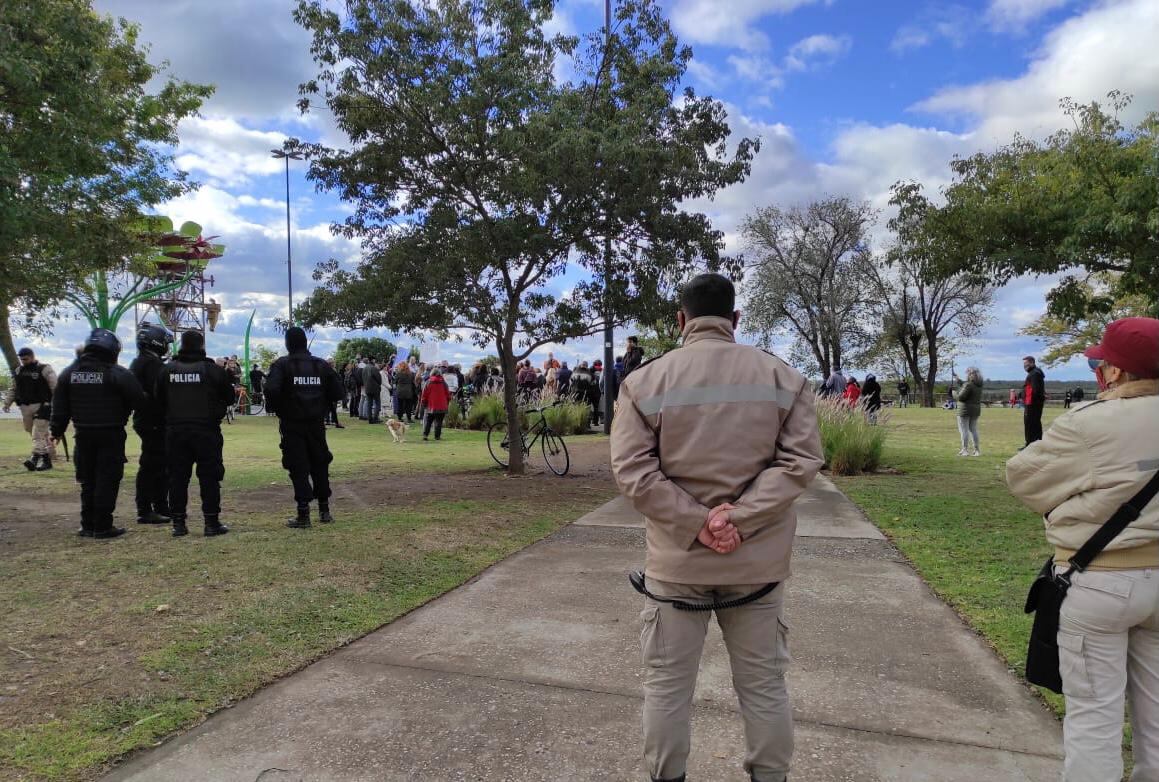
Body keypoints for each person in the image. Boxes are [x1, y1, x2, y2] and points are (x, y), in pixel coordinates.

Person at [611, 273, 824, 782]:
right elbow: (801, 462)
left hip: (675, 565)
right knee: (764, 685)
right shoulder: (782, 379)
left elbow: (633, 473)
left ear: (681, 321)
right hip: (756, 567)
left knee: (666, 687)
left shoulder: (644, 382)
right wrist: (738, 520)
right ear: (735, 319)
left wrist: (698, 523)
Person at [1006, 317, 1159, 782]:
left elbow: (1023, 478)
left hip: (1102, 579)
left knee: (1094, 715)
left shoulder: (1090, 424)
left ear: (1113, 372)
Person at [50, 329, 145, 539]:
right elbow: (139, 400)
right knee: (107, 479)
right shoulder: (118, 373)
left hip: (82, 434)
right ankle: (102, 525)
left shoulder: (69, 373)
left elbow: (60, 406)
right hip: (110, 433)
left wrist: (56, 430)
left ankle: (87, 524)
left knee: (88, 480)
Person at [155, 331, 234, 538]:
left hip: (175, 431)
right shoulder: (212, 371)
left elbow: (158, 399)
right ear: (202, 346)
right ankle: (211, 522)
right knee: (210, 477)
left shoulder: (168, 370)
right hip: (206, 430)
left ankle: (178, 523)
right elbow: (229, 397)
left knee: (177, 478)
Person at [265, 326, 345, 529]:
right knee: (320, 463)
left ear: (287, 343)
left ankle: (303, 513)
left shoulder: (282, 365)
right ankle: (324, 510)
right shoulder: (321, 365)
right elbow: (338, 391)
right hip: (316, 423)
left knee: (297, 466)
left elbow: (271, 390)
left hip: (292, 423)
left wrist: (280, 406)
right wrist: (323, 404)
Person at [130, 323, 175, 524]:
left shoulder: (140, 362)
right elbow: (162, 394)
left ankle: (160, 505)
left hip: (147, 420)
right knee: (153, 465)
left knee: (159, 465)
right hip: (154, 421)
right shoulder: (152, 365)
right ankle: (147, 508)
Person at [3, 347, 58, 471]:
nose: (23, 361)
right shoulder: (18, 371)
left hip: (43, 406)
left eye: (26, 359)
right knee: (33, 432)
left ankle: (34, 458)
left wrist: (55, 404)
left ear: (32, 357)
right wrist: (7, 403)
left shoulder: (45, 369)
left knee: (37, 434)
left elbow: (55, 387)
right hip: (25, 407)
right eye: (21, 359)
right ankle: (47, 459)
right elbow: (14, 389)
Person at [955, 367, 983, 456]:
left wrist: (953, 393)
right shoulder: (979, 384)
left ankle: (965, 450)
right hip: (975, 411)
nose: (967, 375)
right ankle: (977, 450)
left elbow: (961, 397)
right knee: (973, 430)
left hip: (965, 410)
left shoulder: (968, 385)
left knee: (964, 430)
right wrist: (958, 380)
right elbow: (966, 386)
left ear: (971, 375)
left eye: (968, 373)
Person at [420, 367, 452, 441]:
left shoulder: (428, 382)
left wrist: (424, 403)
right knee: (439, 422)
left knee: (428, 421)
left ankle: (425, 435)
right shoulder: (444, 383)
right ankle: (437, 436)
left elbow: (424, 394)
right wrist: (447, 402)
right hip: (441, 406)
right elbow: (448, 394)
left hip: (430, 405)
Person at [1023, 355, 1046, 446]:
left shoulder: (1034, 374)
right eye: (1024, 364)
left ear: (1032, 363)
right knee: (1035, 423)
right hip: (1033, 402)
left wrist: (1030, 401)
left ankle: (1030, 444)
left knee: (1030, 424)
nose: (1025, 366)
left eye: (1026, 364)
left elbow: (1035, 390)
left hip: (1032, 403)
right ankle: (1036, 443)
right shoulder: (1034, 373)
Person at [362, 358, 383, 424]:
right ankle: (375, 418)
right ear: (373, 361)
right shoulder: (374, 368)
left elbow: (363, 378)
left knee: (369, 404)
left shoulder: (364, 368)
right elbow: (379, 379)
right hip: (375, 388)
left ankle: (370, 419)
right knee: (377, 404)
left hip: (367, 388)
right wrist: (378, 384)